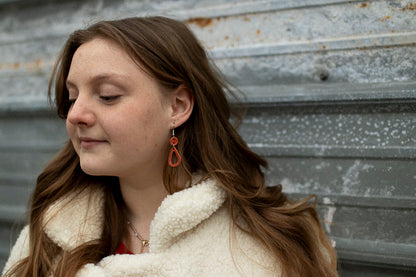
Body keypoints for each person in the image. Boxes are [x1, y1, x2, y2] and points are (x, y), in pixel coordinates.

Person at [2, 16, 338, 277]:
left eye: (107, 96)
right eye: (72, 97)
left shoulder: (267, 244)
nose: (75, 114)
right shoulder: (52, 231)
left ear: (176, 107)